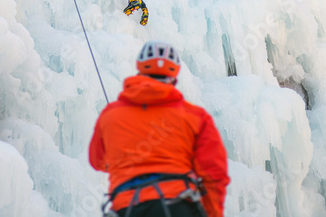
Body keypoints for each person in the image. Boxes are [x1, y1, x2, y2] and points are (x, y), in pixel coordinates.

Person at [89, 40, 230, 217]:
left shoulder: (110, 115)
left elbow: (98, 160)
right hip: (179, 206)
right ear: (174, 76)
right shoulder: (194, 116)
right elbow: (215, 174)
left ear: (140, 70)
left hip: (128, 207)